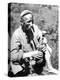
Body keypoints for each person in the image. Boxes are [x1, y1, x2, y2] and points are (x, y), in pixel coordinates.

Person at [9, 10, 58, 77]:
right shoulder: (16, 35)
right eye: (28, 22)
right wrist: (32, 53)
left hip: (35, 61)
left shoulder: (34, 27)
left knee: (47, 47)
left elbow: (41, 38)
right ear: (22, 22)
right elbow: (13, 57)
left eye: (32, 21)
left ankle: (49, 67)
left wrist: (43, 43)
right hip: (24, 63)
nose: (31, 24)